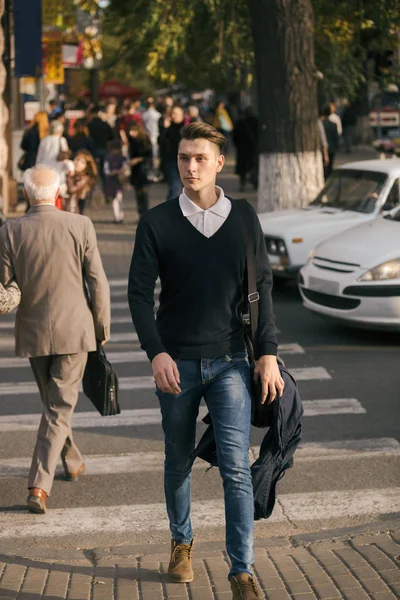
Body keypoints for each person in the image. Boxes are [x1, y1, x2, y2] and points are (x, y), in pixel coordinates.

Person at [128, 122, 282, 600]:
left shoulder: (243, 218)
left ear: (220, 163)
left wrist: (269, 353)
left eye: (200, 158)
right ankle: (181, 542)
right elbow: (137, 294)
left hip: (231, 360)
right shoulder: (156, 221)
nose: (190, 167)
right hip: (176, 364)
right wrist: (156, 353)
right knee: (178, 460)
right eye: (183, 158)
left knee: (236, 466)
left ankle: (241, 570)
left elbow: (263, 289)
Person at [0, 165, 110, 514]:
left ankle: (72, 460)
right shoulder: (80, 225)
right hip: (75, 331)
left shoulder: (10, 231)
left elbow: (4, 285)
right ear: (58, 193)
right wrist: (101, 330)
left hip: (33, 332)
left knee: (55, 404)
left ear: (27, 195)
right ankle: (39, 485)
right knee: (58, 406)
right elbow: (98, 283)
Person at [158, 105, 185, 201]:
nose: (173, 116)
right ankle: (170, 213)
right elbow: (161, 142)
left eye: (176, 114)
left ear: (182, 115)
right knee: (175, 188)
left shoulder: (185, 129)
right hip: (171, 162)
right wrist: (164, 129)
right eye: (172, 113)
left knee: (184, 190)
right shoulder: (167, 129)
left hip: (185, 162)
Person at [127, 122, 152, 218]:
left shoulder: (144, 140)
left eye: (133, 131)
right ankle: (141, 213)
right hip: (135, 170)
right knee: (138, 193)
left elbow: (148, 155)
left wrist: (137, 159)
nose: (131, 133)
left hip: (143, 169)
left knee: (143, 193)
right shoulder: (132, 140)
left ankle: (145, 213)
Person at [87, 106, 115, 188]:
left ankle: (93, 186)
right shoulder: (104, 124)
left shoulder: (89, 125)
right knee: (104, 170)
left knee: (93, 169)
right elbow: (112, 136)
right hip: (104, 148)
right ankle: (106, 187)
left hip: (92, 149)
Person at [233, 107, 258, 192]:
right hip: (254, 148)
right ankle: (255, 183)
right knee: (254, 166)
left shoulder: (240, 123)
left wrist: (238, 146)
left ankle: (242, 184)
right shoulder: (257, 122)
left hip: (242, 149)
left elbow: (235, 137)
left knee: (242, 168)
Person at [66, 150, 98, 214]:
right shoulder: (68, 172)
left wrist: (68, 177)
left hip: (75, 211)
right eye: (77, 159)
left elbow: (72, 189)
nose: (78, 163)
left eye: (82, 162)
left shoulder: (85, 178)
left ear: (87, 166)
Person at [104, 139, 127, 223]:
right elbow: (106, 170)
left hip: (118, 180)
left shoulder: (119, 157)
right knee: (116, 199)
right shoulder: (112, 158)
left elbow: (124, 168)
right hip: (113, 181)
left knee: (118, 198)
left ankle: (119, 217)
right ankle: (118, 217)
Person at [142, 97, 162, 177]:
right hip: (155, 135)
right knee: (155, 155)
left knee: (150, 155)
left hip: (147, 136)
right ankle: (155, 171)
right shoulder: (157, 115)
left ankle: (151, 171)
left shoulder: (144, 115)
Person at [321, 106, 339, 180]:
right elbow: (336, 137)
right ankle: (329, 178)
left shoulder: (321, 124)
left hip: (323, 148)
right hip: (332, 148)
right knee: (330, 165)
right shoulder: (333, 124)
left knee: (323, 166)